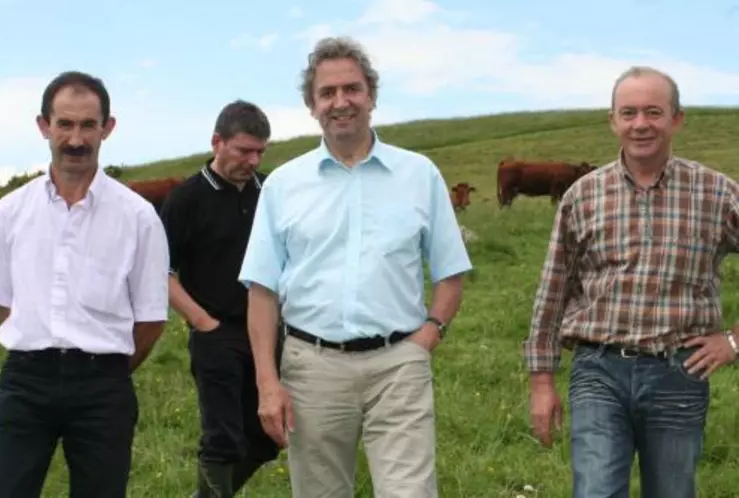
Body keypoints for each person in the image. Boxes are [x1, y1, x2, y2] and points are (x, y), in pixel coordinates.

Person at [238, 36, 473, 498]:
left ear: (371, 95)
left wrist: (428, 335)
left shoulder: (418, 174)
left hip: (398, 364)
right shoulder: (284, 185)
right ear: (312, 106)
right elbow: (262, 292)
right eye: (327, 93)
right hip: (312, 368)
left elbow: (451, 272)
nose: (340, 102)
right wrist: (268, 382)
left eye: (352, 89)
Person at [524, 65, 739, 498]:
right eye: (629, 113)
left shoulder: (716, 193)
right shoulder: (582, 196)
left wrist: (733, 341)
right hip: (597, 370)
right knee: (596, 491)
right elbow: (553, 292)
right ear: (613, 121)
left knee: (672, 491)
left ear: (676, 119)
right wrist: (542, 381)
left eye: (654, 112)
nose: (641, 124)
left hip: (679, 371)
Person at [0, 71, 170, 498]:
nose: (75, 139)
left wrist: (103, 371)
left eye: (88, 125)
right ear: (43, 127)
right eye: (64, 124)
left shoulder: (138, 216)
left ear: (107, 128)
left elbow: (151, 319)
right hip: (26, 379)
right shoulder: (9, 213)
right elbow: (4, 303)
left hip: (102, 386)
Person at [159, 100, 280, 497]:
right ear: (217, 142)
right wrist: (200, 321)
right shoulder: (186, 199)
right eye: (244, 150)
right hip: (216, 332)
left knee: (268, 436)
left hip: (270, 332)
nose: (253, 159)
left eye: (260, 151)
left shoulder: (273, 192)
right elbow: (162, 272)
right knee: (223, 439)